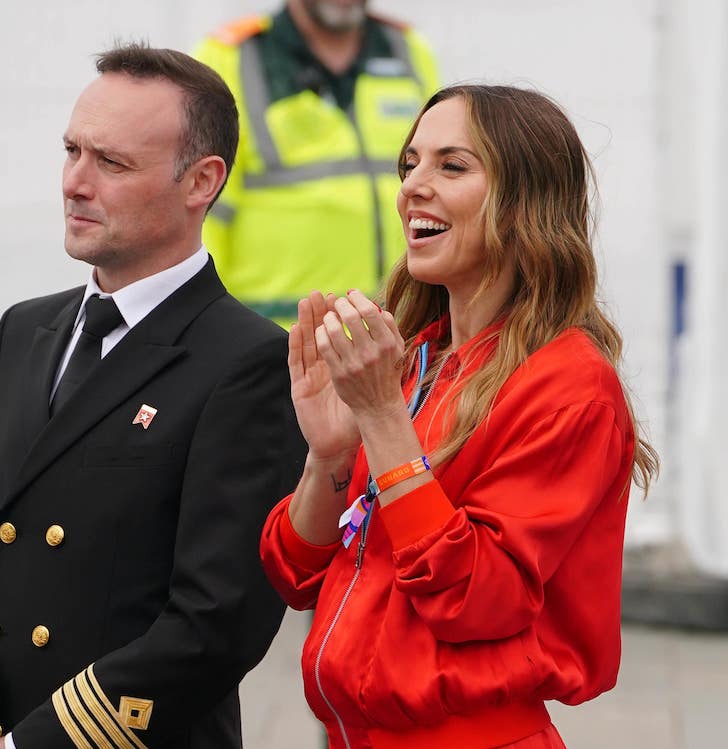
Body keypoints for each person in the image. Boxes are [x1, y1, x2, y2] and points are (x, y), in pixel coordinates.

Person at [0, 43, 306, 749]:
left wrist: (26, 747)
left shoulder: (245, 361)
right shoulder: (26, 329)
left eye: (112, 163)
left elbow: (214, 628)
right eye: (72, 151)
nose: (75, 181)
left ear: (201, 182)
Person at [259, 85, 660, 748]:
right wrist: (329, 455)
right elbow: (296, 570)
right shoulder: (417, 355)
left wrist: (384, 417)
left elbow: (477, 597)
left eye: (452, 166)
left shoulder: (571, 384)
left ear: (525, 204)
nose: (413, 184)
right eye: (409, 163)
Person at [194, 0, 439, 324]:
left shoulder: (407, 50)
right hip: (274, 338)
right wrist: (207, 325)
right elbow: (204, 210)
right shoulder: (230, 57)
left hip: (393, 333)